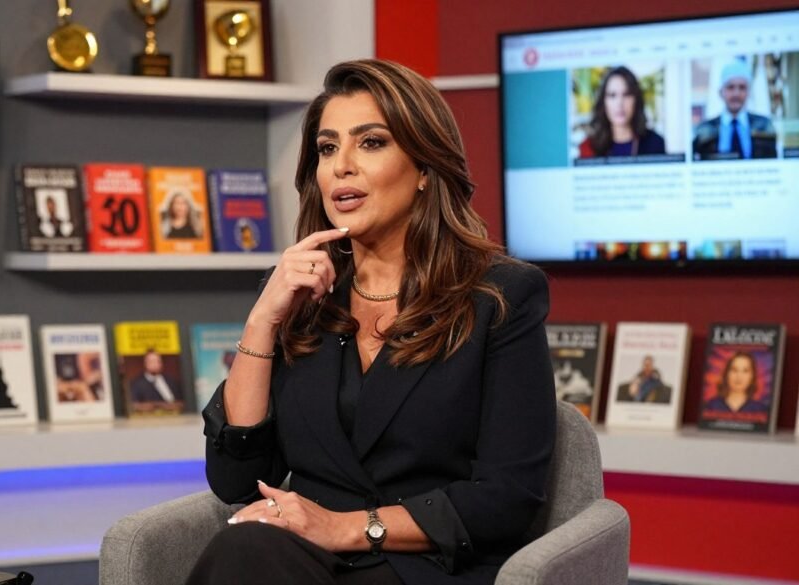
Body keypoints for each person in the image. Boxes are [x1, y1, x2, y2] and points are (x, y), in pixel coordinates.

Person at [188, 59, 555, 585]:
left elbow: (507, 496)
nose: (341, 166)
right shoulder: (305, 293)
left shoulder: (498, 296)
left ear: (426, 169)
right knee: (245, 549)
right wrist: (262, 320)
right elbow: (237, 479)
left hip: (425, 565)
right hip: (305, 562)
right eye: (328, 147)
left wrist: (348, 527)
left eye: (371, 143)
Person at [693, 60, 777, 160]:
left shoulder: (764, 126)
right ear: (721, 92)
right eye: (730, 87)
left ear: (749, 92)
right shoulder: (705, 130)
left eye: (742, 88)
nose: (736, 94)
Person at [579, 66, 666, 158]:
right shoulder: (588, 147)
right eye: (612, 95)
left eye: (627, 94)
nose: (619, 103)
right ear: (603, 102)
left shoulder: (655, 144)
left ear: (636, 100)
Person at [703, 351, 768, 414]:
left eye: (745, 371)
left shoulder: (760, 409)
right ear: (726, 374)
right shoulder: (711, 406)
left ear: (752, 376)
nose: (739, 376)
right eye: (734, 370)